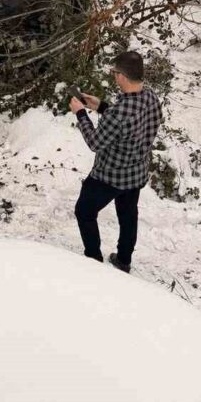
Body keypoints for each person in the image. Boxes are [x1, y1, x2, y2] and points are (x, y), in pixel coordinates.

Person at [69, 50, 162, 273]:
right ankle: (123, 261)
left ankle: (93, 260)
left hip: (108, 176)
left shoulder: (119, 113)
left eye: (114, 73)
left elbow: (95, 143)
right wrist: (100, 106)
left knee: (84, 211)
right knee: (128, 216)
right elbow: (129, 123)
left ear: (121, 76)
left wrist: (81, 113)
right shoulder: (151, 98)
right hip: (136, 173)